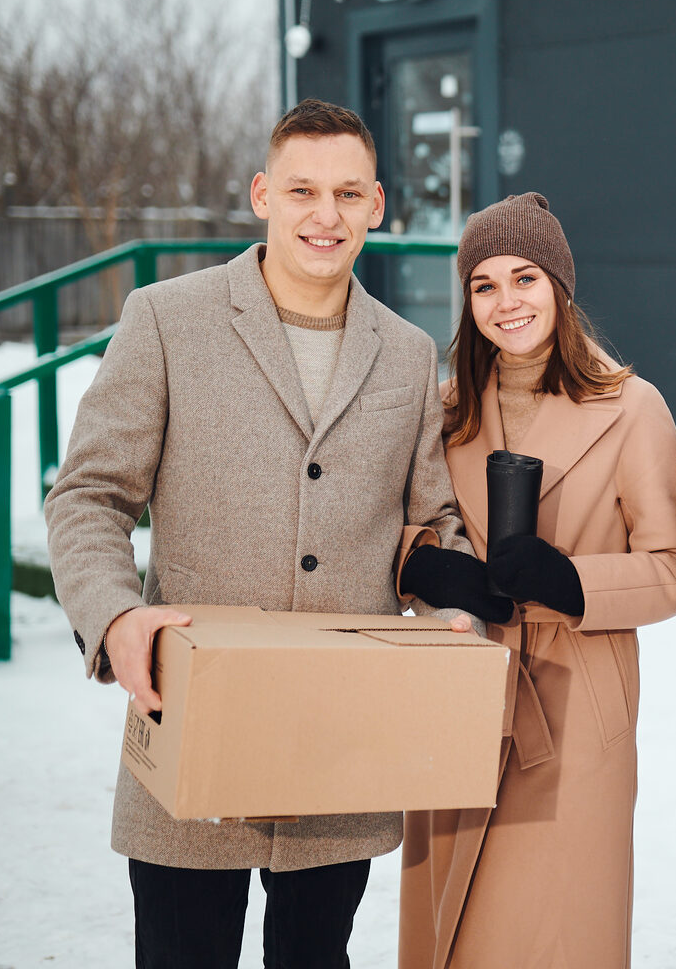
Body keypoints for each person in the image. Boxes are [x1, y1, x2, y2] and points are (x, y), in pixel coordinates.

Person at [44, 98, 490, 969]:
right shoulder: (167, 319)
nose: (325, 215)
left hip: (343, 746)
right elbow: (89, 495)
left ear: (378, 205)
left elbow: (430, 520)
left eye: (347, 193)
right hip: (191, 725)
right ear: (261, 194)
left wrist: (453, 602)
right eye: (302, 190)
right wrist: (114, 617)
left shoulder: (405, 351)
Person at [398, 191, 676, 969]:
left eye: (525, 277)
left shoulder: (631, 408)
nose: (507, 302)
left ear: (559, 287)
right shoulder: (442, 411)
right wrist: (425, 564)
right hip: (462, 687)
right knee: (456, 929)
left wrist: (568, 580)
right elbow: (397, 526)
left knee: (560, 931)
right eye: (485, 284)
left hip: (576, 696)